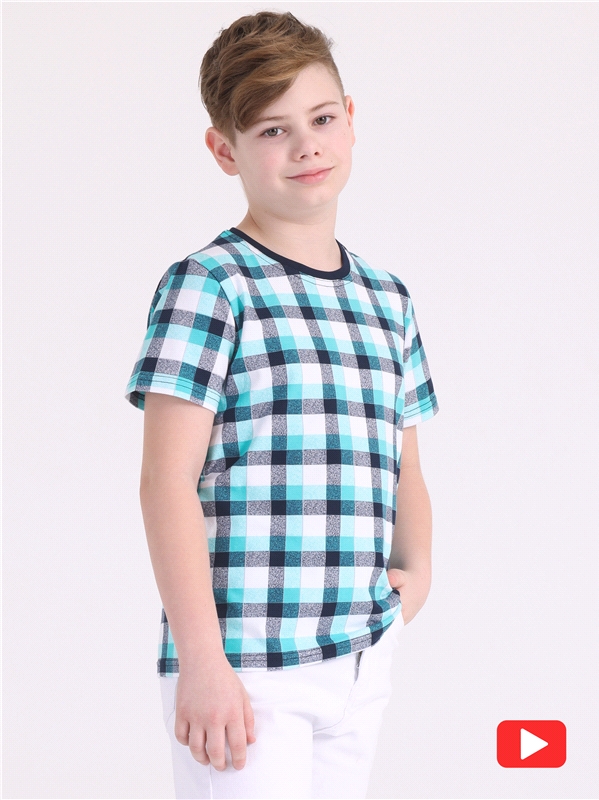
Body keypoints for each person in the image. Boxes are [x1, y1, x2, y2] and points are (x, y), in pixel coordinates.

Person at [125, 10, 439, 799]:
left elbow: (402, 460)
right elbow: (166, 480)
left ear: (350, 120)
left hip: (359, 656)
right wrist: (203, 663)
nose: (306, 146)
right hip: (245, 668)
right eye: (272, 130)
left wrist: (417, 570)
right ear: (224, 150)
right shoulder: (210, 285)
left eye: (321, 119)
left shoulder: (387, 298)